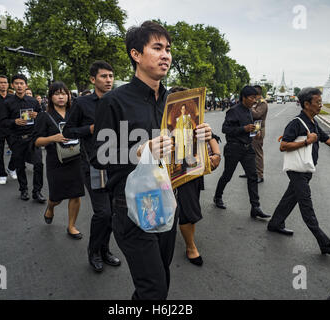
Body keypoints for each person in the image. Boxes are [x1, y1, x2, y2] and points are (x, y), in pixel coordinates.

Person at [91, 21, 212, 300]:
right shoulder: (115, 101)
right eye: (157, 48)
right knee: (153, 289)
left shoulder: (175, 101)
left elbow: (181, 152)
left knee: (162, 277)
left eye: (168, 49)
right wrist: (141, 150)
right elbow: (99, 155)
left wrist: (199, 136)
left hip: (169, 199)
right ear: (136, 54)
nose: (166, 55)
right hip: (132, 204)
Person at [267, 87, 330, 255]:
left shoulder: (313, 122)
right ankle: (324, 243)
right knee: (306, 205)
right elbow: (283, 146)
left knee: (291, 198)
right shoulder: (296, 123)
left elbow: (328, 140)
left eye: (321, 102)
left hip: (306, 169)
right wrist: (306, 142)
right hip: (298, 170)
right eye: (318, 102)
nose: (320, 105)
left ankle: (275, 223)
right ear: (306, 104)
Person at [63, 61, 121, 272]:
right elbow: (68, 131)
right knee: (103, 212)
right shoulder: (82, 104)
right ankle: (94, 251)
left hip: (117, 163)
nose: (108, 80)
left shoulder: (117, 101)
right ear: (93, 79)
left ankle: (105, 250)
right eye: (104, 76)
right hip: (93, 164)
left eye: (111, 76)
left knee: (114, 212)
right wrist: (91, 128)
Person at [169, 87, 221, 267]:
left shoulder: (196, 121)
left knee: (189, 210)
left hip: (191, 170)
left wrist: (216, 155)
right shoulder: (163, 121)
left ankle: (190, 245)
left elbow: (212, 137)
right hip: (165, 170)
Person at [33, 81, 84, 239]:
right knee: (57, 196)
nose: (61, 97)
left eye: (64, 93)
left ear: (69, 96)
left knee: (75, 194)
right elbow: (36, 141)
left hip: (76, 158)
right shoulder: (44, 115)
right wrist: (52, 138)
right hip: (56, 162)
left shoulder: (75, 112)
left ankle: (71, 226)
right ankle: (50, 206)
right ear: (50, 97)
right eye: (57, 93)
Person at [213, 86, 270, 220]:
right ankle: (218, 196)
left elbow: (252, 128)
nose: (254, 101)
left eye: (255, 98)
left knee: (253, 176)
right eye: (251, 98)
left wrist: (255, 133)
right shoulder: (233, 111)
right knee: (227, 175)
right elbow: (225, 129)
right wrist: (243, 129)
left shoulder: (249, 111)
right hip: (234, 148)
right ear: (243, 97)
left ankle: (255, 207)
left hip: (247, 148)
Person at [0, 74, 45, 203]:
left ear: (26, 85)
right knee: (20, 166)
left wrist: (37, 115)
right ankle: (23, 189)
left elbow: (42, 118)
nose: (19, 86)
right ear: (13, 85)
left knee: (39, 164)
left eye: (22, 83)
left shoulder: (33, 101)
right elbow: (2, 122)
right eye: (16, 83)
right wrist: (15, 121)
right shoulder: (7, 103)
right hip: (17, 139)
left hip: (33, 138)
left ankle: (37, 191)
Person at [239, 85, 268, 183]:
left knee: (257, 152)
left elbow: (257, 115)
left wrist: (249, 106)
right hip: (250, 127)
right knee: (249, 152)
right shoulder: (255, 102)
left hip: (258, 128)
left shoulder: (262, 103)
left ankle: (259, 174)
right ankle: (249, 172)